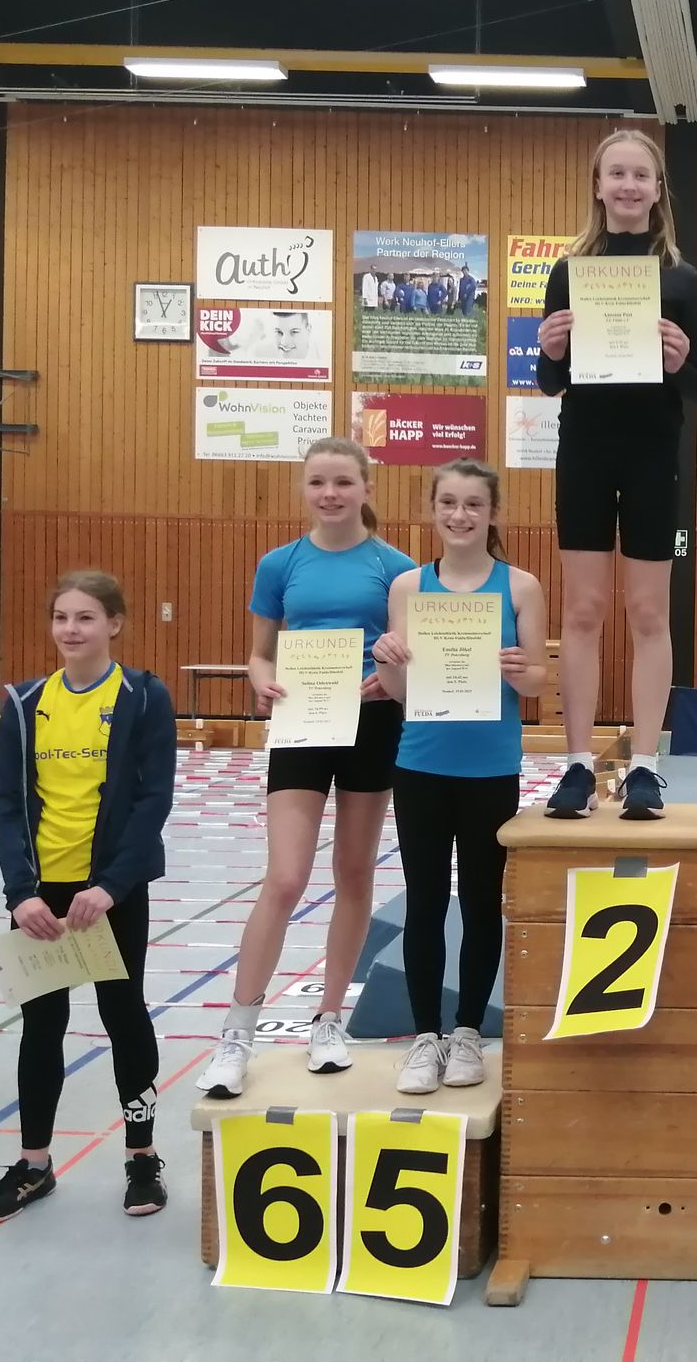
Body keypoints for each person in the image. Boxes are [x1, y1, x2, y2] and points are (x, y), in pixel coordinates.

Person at [197, 439, 416, 1097]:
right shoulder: (280, 563)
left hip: (372, 723)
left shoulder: (396, 569)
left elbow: (406, 655)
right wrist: (261, 680)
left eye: (343, 482)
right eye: (318, 482)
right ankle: (238, 1031)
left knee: (354, 872)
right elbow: (260, 653)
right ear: (304, 488)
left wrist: (387, 678)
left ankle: (328, 1020)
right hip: (303, 723)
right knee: (287, 877)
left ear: (366, 488)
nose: (330, 494)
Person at [0, 572, 176, 1222]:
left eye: (86, 617)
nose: (71, 629)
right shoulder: (24, 702)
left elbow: (153, 799)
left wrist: (111, 886)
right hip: (41, 897)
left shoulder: (143, 697)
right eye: (61, 616)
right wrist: (21, 894)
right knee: (42, 1025)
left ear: (114, 623)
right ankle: (33, 1164)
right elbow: (6, 803)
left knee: (124, 1016)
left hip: (110, 894)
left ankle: (142, 1157)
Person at [537, 129, 697, 821]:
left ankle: (645, 765)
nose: (630, 185)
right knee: (582, 610)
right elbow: (550, 380)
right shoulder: (569, 271)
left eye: (642, 174)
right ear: (598, 185)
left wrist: (680, 360)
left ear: (658, 189)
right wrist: (551, 349)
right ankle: (578, 764)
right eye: (618, 173)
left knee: (647, 612)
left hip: (652, 455)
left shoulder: (681, 278)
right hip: (584, 450)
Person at [372, 463, 547, 1093]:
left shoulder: (520, 586)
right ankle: (426, 1035)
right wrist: (387, 659)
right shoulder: (408, 586)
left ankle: (469, 1031)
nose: (460, 515)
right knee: (424, 900)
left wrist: (518, 668)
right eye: (448, 502)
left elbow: (537, 682)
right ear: (432, 509)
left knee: (480, 900)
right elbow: (398, 689)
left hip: (490, 768)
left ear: (493, 512)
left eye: (474, 504)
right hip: (421, 764)